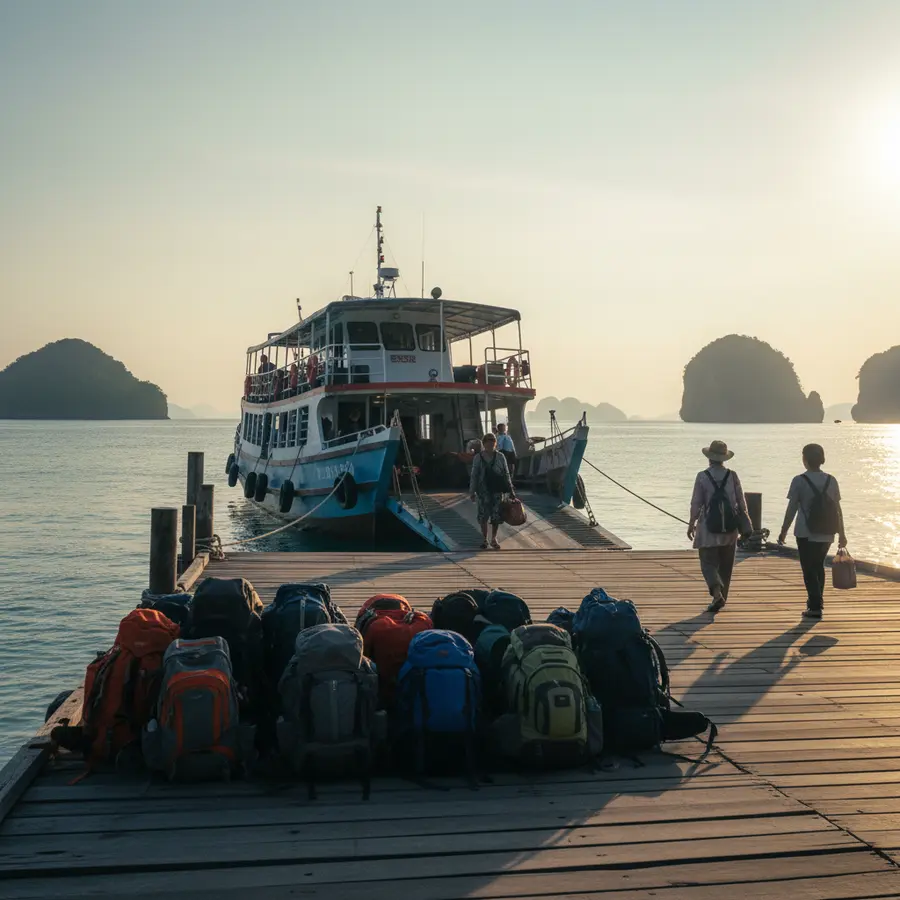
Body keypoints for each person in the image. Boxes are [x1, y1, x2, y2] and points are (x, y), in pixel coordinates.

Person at [777, 443, 847, 620]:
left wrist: (783, 530)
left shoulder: (799, 480)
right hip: (827, 532)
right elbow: (838, 509)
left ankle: (815, 606)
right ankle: (816, 602)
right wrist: (842, 533)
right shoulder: (831, 480)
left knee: (809, 568)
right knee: (818, 566)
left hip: (805, 532)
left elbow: (791, 508)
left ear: (805, 459)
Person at [688, 440, 751, 614]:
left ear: (709, 458)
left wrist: (691, 523)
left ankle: (716, 594)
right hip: (730, 527)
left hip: (708, 527)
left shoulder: (702, 476)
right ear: (724, 458)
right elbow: (741, 503)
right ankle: (722, 596)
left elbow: (696, 502)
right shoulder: (732, 475)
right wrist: (746, 525)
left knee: (707, 562)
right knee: (726, 564)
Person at [469, 432, 512, 550]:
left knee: (496, 515)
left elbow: (506, 473)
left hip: (497, 490)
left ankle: (494, 538)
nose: (491, 443)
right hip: (483, 491)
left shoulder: (500, 457)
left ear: (495, 443)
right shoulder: (478, 457)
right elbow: (474, 475)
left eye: (493, 440)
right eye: (488, 441)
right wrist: (472, 491)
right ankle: (484, 539)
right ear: (484, 443)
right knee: (483, 516)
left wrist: (510, 489)